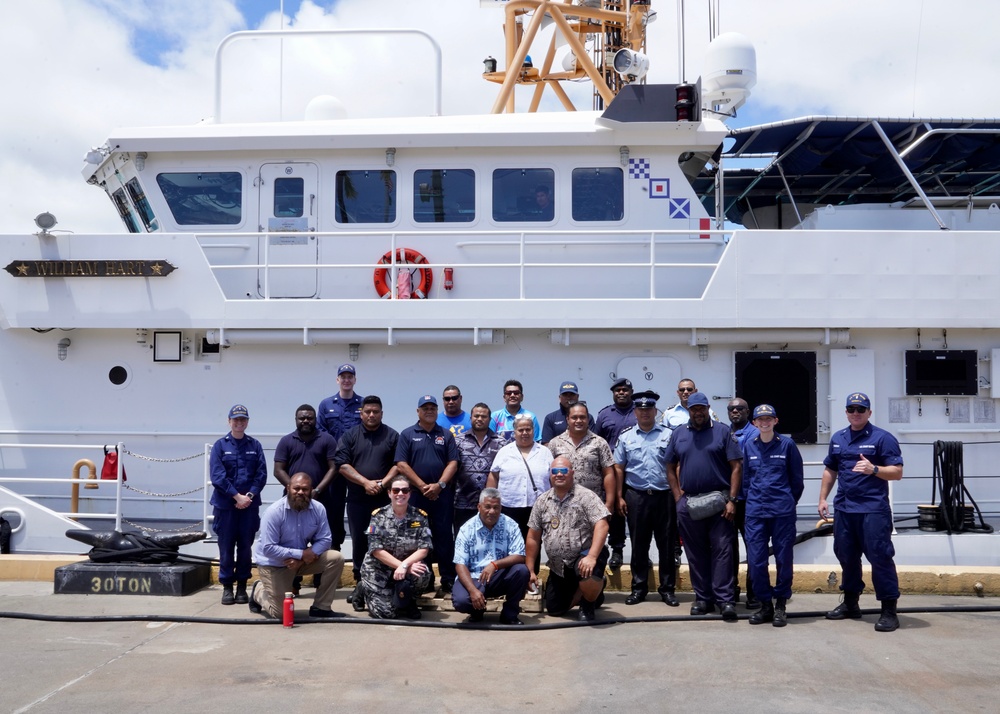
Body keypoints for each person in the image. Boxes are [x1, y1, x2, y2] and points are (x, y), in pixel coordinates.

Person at [819, 392, 904, 632]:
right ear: (846, 412)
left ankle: (889, 611)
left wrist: (874, 468)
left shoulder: (882, 438)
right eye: (851, 409)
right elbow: (830, 470)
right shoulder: (838, 438)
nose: (856, 413)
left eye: (860, 409)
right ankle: (850, 603)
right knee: (846, 556)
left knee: (880, 557)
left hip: (873, 509)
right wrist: (823, 498)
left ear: (869, 412)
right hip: (845, 508)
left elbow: (896, 472)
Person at [666, 391, 743, 621]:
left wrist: (732, 499)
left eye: (701, 408)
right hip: (689, 503)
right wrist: (678, 497)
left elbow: (736, 466)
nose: (697, 412)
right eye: (693, 409)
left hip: (719, 502)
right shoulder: (678, 434)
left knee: (723, 552)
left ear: (708, 408)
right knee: (696, 553)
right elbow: (670, 466)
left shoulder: (722, 431)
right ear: (688, 409)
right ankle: (703, 598)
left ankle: (725, 600)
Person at [248, 472, 346, 619]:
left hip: (301, 561)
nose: (300, 492)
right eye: (296, 488)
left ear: (311, 490)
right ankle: (259, 590)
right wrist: (301, 554)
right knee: (281, 614)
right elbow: (268, 548)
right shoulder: (274, 512)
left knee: (336, 558)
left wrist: (303, 558)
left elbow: (325, 539)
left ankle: (321, 607)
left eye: (305, 489)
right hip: (274, 564)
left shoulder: (318, 509)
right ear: (288, 488)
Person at [613, 390, 679, 607]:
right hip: (636, 496)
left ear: (655, 411)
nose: (645, 413)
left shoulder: (668, 435)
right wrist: (620, 496)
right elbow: (619, 469)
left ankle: (667, 589)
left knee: (666, 545)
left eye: (648, 409)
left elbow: (676, 465)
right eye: (641, 410)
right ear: (635, 412)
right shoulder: (626, 437)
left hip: (664, 497)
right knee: (639, 545)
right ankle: (638, 588)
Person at [525, 456, 610, 622]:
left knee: (588, 574)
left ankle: (588, 602)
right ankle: (592, 591)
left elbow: (602, 525)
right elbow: (533, 536)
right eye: (554, 471)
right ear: (550, 474)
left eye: (563, 470)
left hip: (585, 557)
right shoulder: (542, 501)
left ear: (572, 473)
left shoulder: (586, 496)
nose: (559, 474)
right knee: (555, 610)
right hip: (560, 567)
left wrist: (592, 556)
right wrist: (530, 570)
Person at [743, 404, 804, 627]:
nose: (765, 422)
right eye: (761, 419)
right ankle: (765, 605)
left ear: (776, 421)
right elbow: (747, 481)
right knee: (756, 562)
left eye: (769, 418)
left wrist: (787, 501)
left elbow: (797, 481)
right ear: (754, 423)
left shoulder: (787, 445)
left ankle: (780, 604)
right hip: (756, 513)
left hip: (782, 513)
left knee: (784, 559)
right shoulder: (749, 446)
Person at [334, 395, 397, 610]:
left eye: (375, 411)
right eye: (367, 411)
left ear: (381, 413)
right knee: (361, 541)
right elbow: (342, 464)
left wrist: (382, 483)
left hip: (384, 500)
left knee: (385, 542)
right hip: (358, 499)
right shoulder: (350, 435)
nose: (371, 415)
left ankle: (382, 583)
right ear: (361, 413)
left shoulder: (391, 435)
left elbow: (399, 464)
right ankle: (360, 584)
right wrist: (365, 483)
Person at [395, 394, 460, 594]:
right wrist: (423, 486)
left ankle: (448, 579)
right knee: (418, 538)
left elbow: (453, 463)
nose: (429, 411)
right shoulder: (407, 434)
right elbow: (401, 464)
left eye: (432, 407)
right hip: (416, 496)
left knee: (444, 538)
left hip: (441, 496)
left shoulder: (446, 435)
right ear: (418, 411)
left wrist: (439, 485)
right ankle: (425, 579)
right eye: (425, 408)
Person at [209, 404, 267, 606]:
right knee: (225, 547)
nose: (239, 423)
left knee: (245, 547)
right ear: (229, 421)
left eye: (243, 419)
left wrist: (248, 496)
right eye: (236, 419)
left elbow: (261, 475)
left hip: (249, 507)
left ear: (247, 422)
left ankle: (242, 585)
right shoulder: (220, 446)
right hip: (226, 507)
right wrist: (236, 496)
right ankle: (227, 586)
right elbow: (217, 476)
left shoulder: (255, 446)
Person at [547, 402, 616, 563]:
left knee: (593, 548)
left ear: (588, 419)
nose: (578, 421)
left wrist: (610, 502)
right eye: (574, 417)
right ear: (567, 419)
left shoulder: (599, 443)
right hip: (562, 505)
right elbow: (548, 474)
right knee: (564, 544)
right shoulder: (555, 443)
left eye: (582, 417)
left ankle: (593, 583)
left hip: (593, 507)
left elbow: (608, 473)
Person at [452, 488, 530, 625]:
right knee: (461, 601)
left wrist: (495, 565)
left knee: (521, 570)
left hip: (498, 576)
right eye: (487, 507)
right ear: (479, 507)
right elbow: (460, 563)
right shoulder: (466, 528)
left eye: (496, 507)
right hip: (474, 577)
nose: (492, 511)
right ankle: (477, 610)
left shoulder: (510, 525)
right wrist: (472, 590)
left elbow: (520, 556)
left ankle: (509, 615)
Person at [360, 474, 433, 619]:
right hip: (379, 568)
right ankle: (363, 589)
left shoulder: (420, 516)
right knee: (386, 613)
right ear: (389, 493)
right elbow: (376, 551)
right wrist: (402, 566)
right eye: (396, 490)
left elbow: (424, 548)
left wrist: (405, 566)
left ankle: (408, 599)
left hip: (405, 567)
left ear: (410, 493)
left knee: (423, 573)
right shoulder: (378, 516)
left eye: (405, 490)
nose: (400, 494)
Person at [317, 363, 364, 552]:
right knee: (333, 508)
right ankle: (334, 546)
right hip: (334, 468)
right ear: (337, 380)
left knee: (357, 509)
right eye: (342, 377)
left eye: (349, 376)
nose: (346, 380)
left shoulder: (363, 404)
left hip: (356, 466)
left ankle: (361, 552)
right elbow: (321, 433)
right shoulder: (326, 404)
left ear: (355, 380)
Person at [487, 415, 553, 540]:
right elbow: (493, 475)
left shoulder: (545, 452)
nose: (524, 433)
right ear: (514, 432)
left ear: (533, 431)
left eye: (528, 429)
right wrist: (490, 501)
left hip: (538, 508)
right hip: (509, 507)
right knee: (510, 543)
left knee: (534, 544)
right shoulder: (504, 451)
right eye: (520, 430)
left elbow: (553, 479)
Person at [594, 377, 636, 570]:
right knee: (615, 512)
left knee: (636, 513)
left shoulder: (640, 411)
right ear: (613, 393)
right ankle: (617, 550)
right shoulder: (605, 415)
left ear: (631, 392)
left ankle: (639, 552)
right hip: (611, 470)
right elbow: (597, 441)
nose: (621, 393)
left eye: (625, 390)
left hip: (635, 470)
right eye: (618, 390)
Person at [727, 397, 760, 609]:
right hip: (729, 501)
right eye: (731, 409)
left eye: (740, 408)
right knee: (728, 549)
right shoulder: (723, 432)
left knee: (754, 548)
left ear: (747, 411)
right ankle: (731, 590)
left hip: (749, 500)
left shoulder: (755, 434)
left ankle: (754, 593)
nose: (735, 411)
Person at [454, 402, 505, 535]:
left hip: (490, 505)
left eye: (483, 416)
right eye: (476, 416)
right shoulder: (458, 441)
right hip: (462, 502)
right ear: (470, 418)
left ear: (489, 419)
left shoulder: (501, 443)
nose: (480, 419)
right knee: (463, 540)